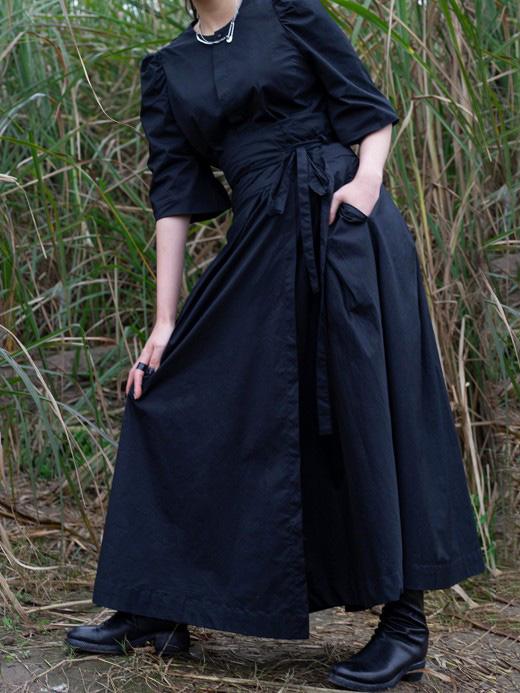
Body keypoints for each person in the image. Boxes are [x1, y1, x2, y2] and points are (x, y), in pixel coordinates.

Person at [65, 0, 486, 689]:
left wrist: (366, 184)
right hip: (260, 236)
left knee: (367, 404)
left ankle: (405, 627)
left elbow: (367, 109)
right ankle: (157, 608)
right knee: (172, 392)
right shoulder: (168, 68)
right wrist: (165, 321)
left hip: (343, 223)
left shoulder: (287, 11)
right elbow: (173, 191)